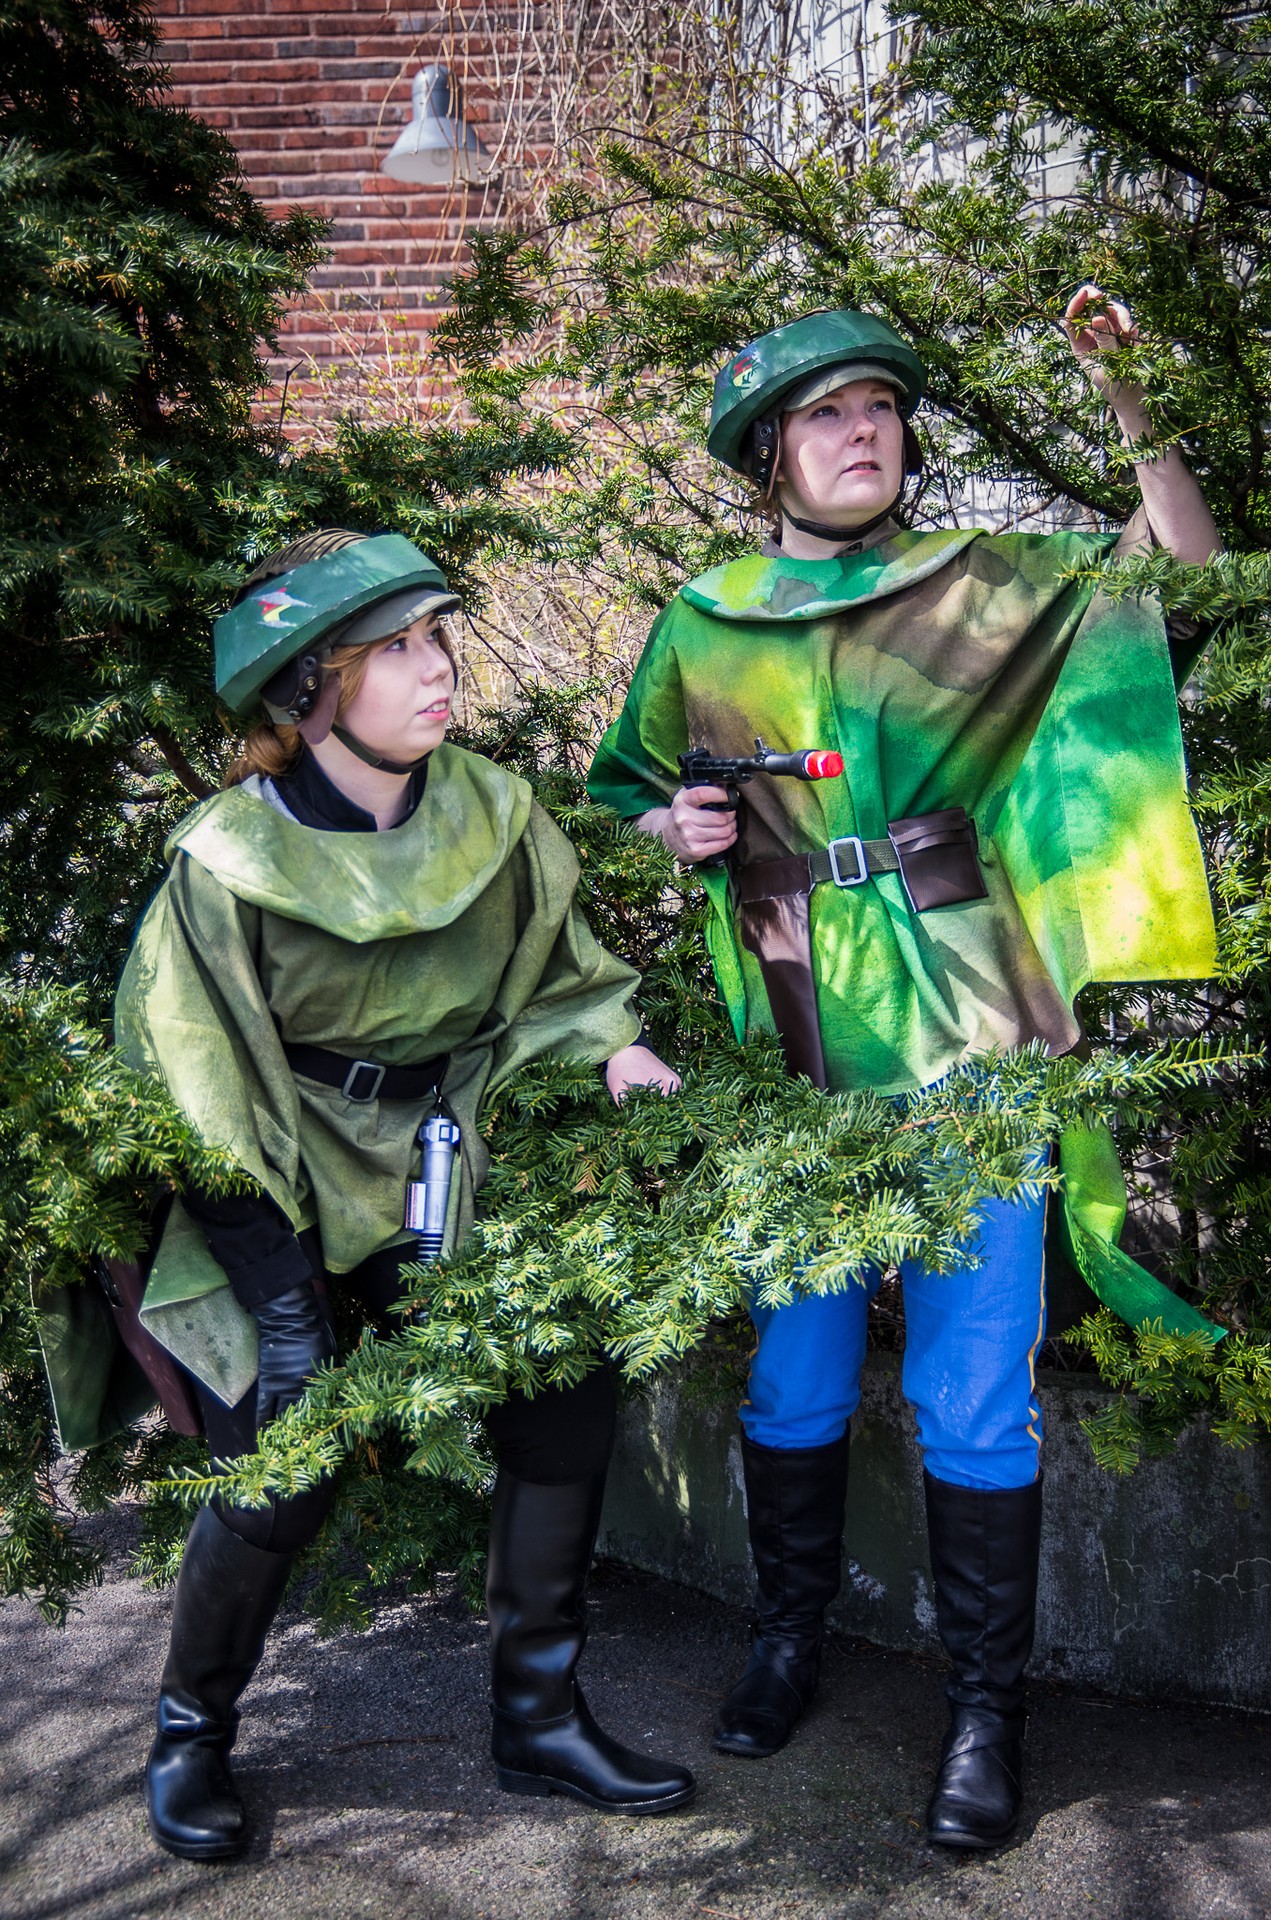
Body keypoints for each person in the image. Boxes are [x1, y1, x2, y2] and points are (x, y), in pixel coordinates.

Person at [586, 293, 1220, 1849]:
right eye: (825, 411)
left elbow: (1190, 582)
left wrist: (1129, 396)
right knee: (796, 1371)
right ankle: (787, 1641)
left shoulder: (979, 586)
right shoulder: (706, 619)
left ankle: (986, 1713)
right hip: (794, 1028)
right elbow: (621, 788)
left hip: (971, 1018)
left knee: (974, 1388)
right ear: (770, 454)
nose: (862, 429)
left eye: (879, 405)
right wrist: (675, 824)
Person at [106, 528, 695, 1860]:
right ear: (311, 690)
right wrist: (285, 1306)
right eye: (397, 651)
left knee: (561, 1376)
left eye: (439, 640)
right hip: (272, 1174)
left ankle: (539, 1717)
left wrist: (618, 1045)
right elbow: (192, 1093)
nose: (439, 671)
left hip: (443, 1148)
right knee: (286, 1451)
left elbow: (564, 974)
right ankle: (189, 1735)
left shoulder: (491, 809)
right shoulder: (225, 861)